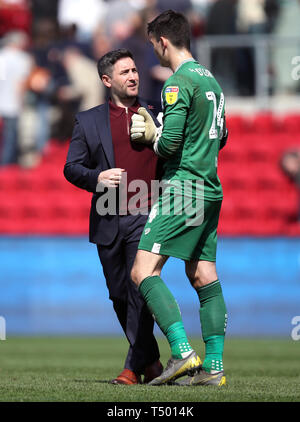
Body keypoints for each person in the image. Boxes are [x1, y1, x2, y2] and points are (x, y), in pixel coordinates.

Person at [129, 10, 228, 386]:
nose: (153, 50)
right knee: (203, 274)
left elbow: (168, 144)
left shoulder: (176, 83)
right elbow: (224, 136)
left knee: (143, 271)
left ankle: (183, 352)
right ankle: (214, 368)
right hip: (211, 187)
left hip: (183, 187)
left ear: (163, 41)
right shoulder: (212, 80)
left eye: (153, 43)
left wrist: (150, 134)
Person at [63, 48, 163, 384]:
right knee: (119, 294)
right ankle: (151, 361)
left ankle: (130, 369)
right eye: (125, 72)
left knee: (138, 290)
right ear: (107, 80)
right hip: (107, 216)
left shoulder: (156, 113)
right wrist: (97, 178)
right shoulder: (88, 120)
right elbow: (71, 168)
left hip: (147, 214)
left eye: (135, 70)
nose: (133, 76)